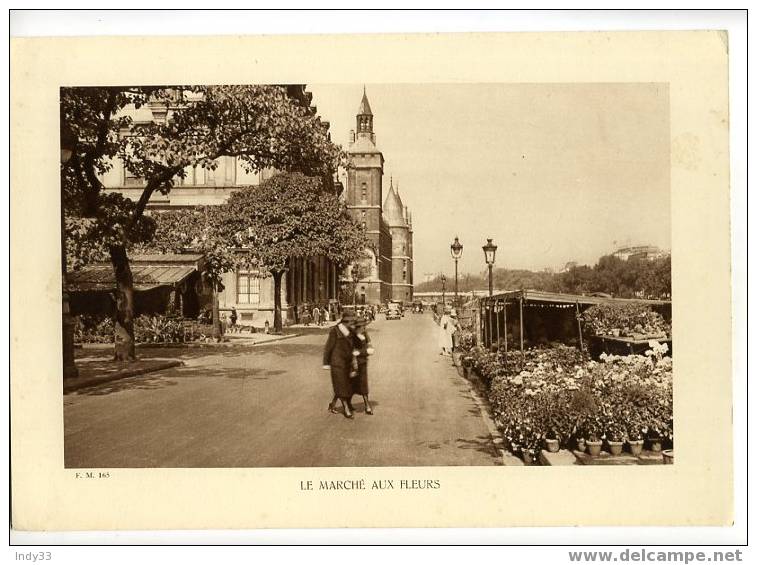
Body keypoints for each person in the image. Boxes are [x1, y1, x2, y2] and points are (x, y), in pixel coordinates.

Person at [322, 310, 358, 418]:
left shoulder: (350, 332)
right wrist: (326, 363)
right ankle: (346, 408)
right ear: (345, 321)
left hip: (348, 362)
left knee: (344, 384)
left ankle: (332, 405)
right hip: (337, 362)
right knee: (341, 384)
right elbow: (328, 347)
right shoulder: (335, 331)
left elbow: (353, 346)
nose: (352, 324)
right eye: (351, 322)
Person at [350, 317, 375, 415]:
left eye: (365, 326)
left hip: (363, 361)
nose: (364, 328)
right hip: (352, 362)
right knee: (349, 383)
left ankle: (367, 405)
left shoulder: (365, 334)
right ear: (357, 327)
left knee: (363, 384)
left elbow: (369, 345)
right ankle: (337, 402)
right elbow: (350, 349)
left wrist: (369, 349)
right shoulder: (351, 336)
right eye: (362, 326)